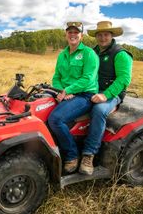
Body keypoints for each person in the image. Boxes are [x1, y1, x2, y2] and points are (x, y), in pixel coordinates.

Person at [79, 21, 133, 175]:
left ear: (112, 35)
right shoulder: (93, 52)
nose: (103, 38)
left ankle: (88, 155)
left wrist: (105, 95)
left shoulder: (121, 54)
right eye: (100, 35)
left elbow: (123, 80)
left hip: (111, 93)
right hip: (91, 90)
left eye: (106, 34)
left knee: (99, 110)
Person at [48, 21, 99, 174]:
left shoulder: (89, 53)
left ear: (81, 35)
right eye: (70, 32)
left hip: (85, 95)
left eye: (76, 32)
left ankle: (72, 155)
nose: (72, 35)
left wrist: (69, 90)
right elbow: (56, 77)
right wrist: (60, 90)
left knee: (55, 119)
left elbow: (88, 79)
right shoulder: (62, 55)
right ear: (66, 35)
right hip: (64, 93)